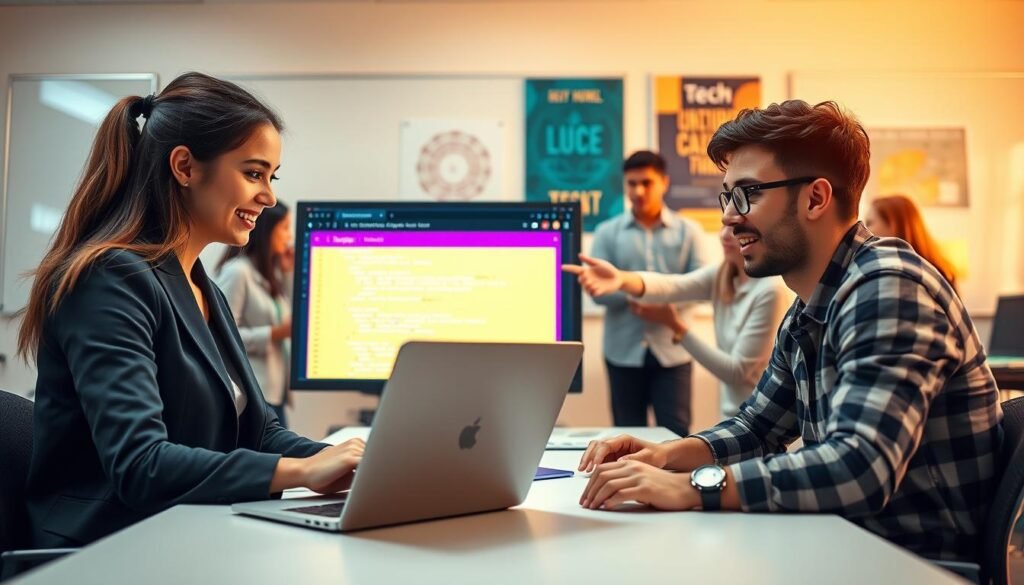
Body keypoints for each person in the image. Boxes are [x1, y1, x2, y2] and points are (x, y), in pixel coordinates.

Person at [575, 100, 1001, 563]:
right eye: (727, 197)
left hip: (913, 564)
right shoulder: (809, 306)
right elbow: (756, 428)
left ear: (815, 199)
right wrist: (664, 455)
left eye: (747, 194)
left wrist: (694, 485)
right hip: (850, 546)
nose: (729, 217)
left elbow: (859, 466)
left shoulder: (889, 286)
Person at [18, 72, 364, 548]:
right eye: (253, 173)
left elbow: (259, 432)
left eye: (272, 177)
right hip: (103, 547)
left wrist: (347, 461)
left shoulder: (204, 288)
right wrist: (301, 471)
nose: (268, 197)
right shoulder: (110, 278)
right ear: (185, 167)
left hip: (182, 531)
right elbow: (140, 465)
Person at [564, 225, 790, 421]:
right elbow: (672, 286)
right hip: (734, 418)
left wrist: (676, 326)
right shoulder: (723, 273)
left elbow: (735, 372)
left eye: (734, 228)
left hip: (760, 421)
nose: (723, 235)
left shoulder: (771, 291)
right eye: (724, 225)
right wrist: (622, 279)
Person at [589, 150, 707, 437]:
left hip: (674, 352)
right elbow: (597, 292)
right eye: (631, 184)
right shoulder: (606, 233)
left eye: (646, 183)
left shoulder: (690, 231)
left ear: (664, 182)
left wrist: (662, 305)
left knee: (676, 436)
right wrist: (637, 296)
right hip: (622, 353)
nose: (638, 191)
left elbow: (702, 285)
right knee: (626, 438)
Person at [215, 201, 295, 427]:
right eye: (284, 228)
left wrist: (288, 272)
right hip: (253, 392)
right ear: (267, 230)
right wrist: (273, 334)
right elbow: (220, 337)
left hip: (274, 391)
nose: (289, 236)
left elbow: (290, 316)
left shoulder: (271, 275)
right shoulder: (238, 273)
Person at [865, 194, 959, 291]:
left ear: (895, 225)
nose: (864, 230)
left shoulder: (896, 276)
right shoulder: (940, 272)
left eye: (869, 223)